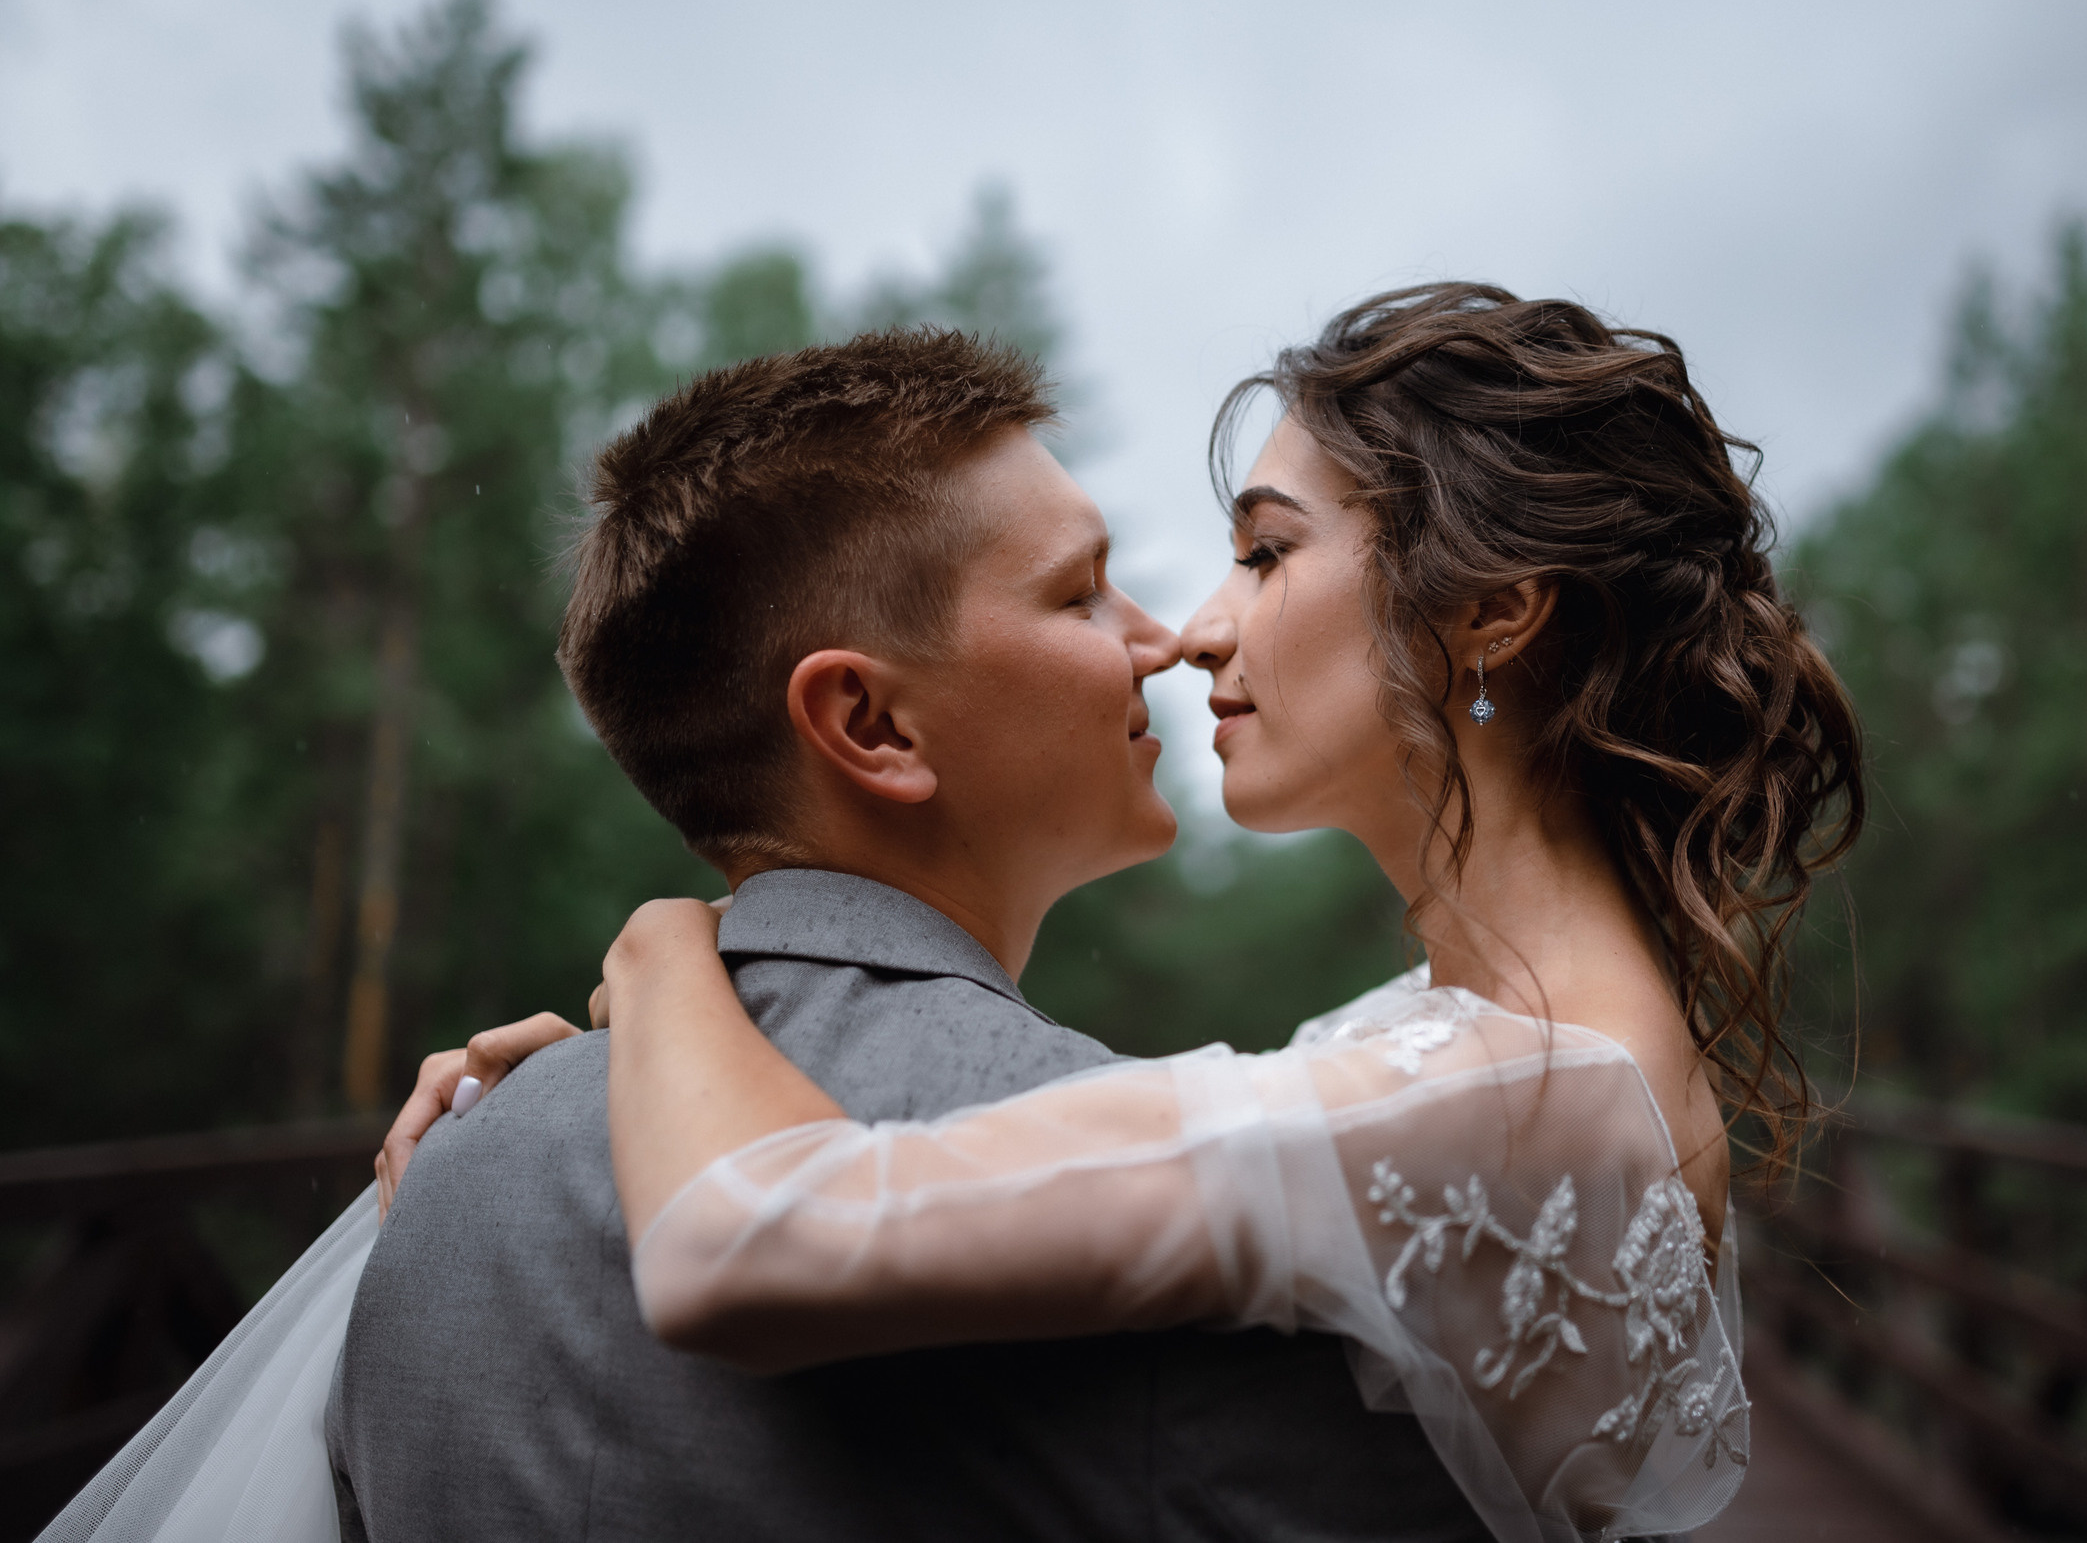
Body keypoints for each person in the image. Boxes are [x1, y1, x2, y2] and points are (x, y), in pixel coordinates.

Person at [422, 284, 1863, 1541]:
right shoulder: (1519, 1048)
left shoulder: (1510, 1096)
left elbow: (740, 1243)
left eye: (1268, 550)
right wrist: (633, 1083)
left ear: (1495, 610)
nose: (1193, 629)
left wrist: (669, 948)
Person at [42, 328, 1499, 1543]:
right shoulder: (1112, 1185)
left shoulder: (445, 1174)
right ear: (869, 723)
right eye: (1076, 590)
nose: (1161, 635)